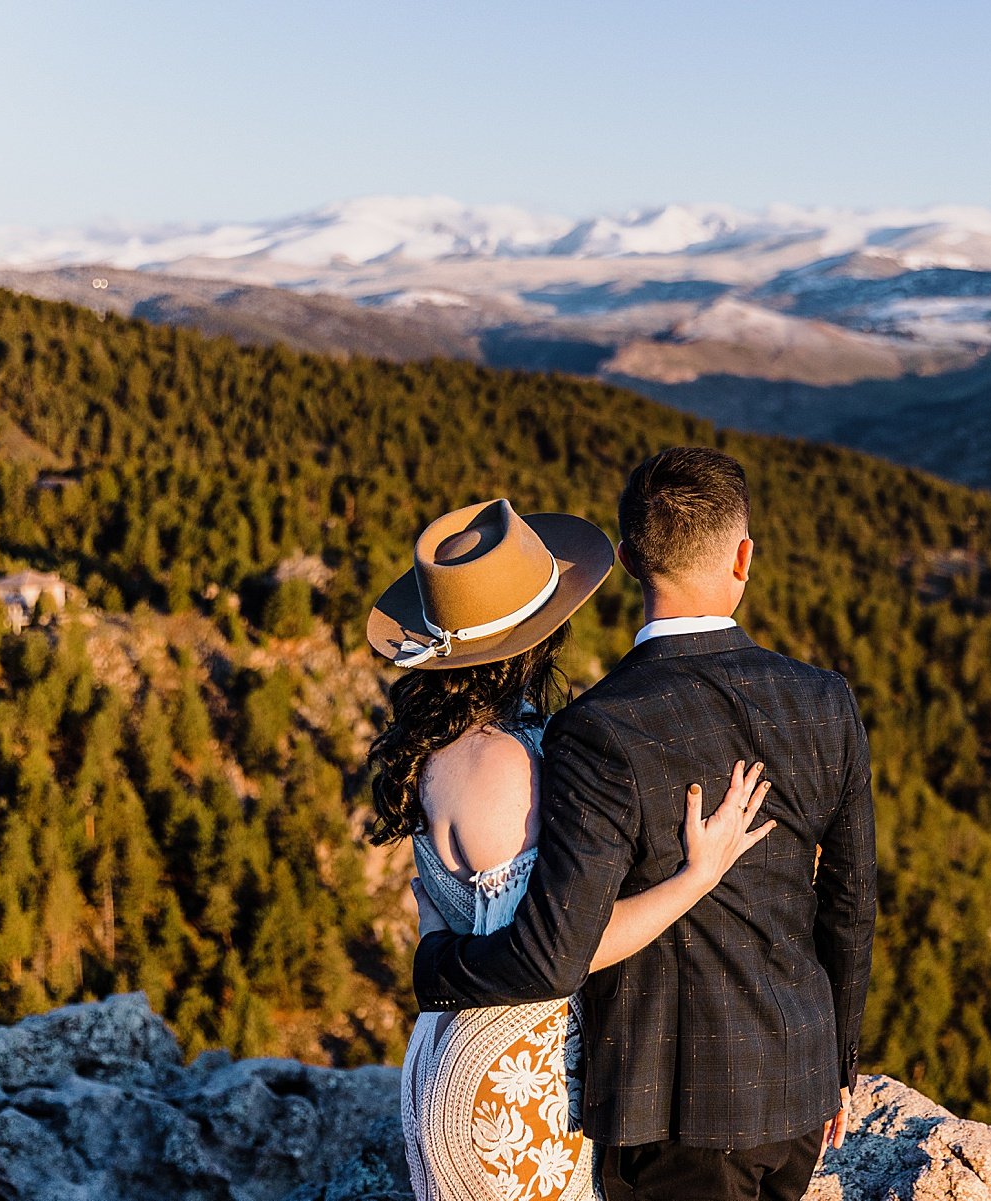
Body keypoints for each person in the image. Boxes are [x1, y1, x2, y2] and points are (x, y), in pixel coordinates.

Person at [412, 448, 878, 1201]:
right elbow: (852, 906)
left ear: (628, 559)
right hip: (797, 1092)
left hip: (672, 1112)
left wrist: (433, 964)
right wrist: (837, 1067)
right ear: (744, 556)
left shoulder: (596, 729)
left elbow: (556, 952)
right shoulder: (825, 699)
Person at [365, 497, 778, 1201]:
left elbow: (451, 921)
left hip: (455, 1058)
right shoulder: (502, 765)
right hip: (512, 1080)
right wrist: (697, 875)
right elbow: (557, 953)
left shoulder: (442, 749)